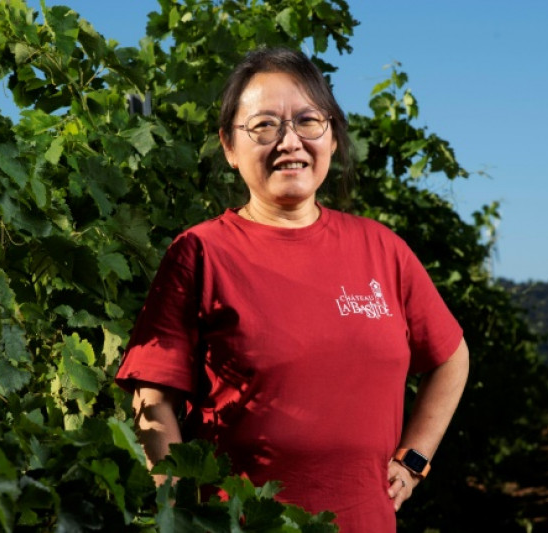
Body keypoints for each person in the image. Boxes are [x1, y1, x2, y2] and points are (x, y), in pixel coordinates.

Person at [115, 47, 469, 532]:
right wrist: (180, 513)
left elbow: (452, 356)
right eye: (263, 126)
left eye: (307, 121)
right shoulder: (201, 252)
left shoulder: (381, 249)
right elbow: (152, 399)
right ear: (228, 147)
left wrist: (413, 460)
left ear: (332, 135)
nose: (289, 141)